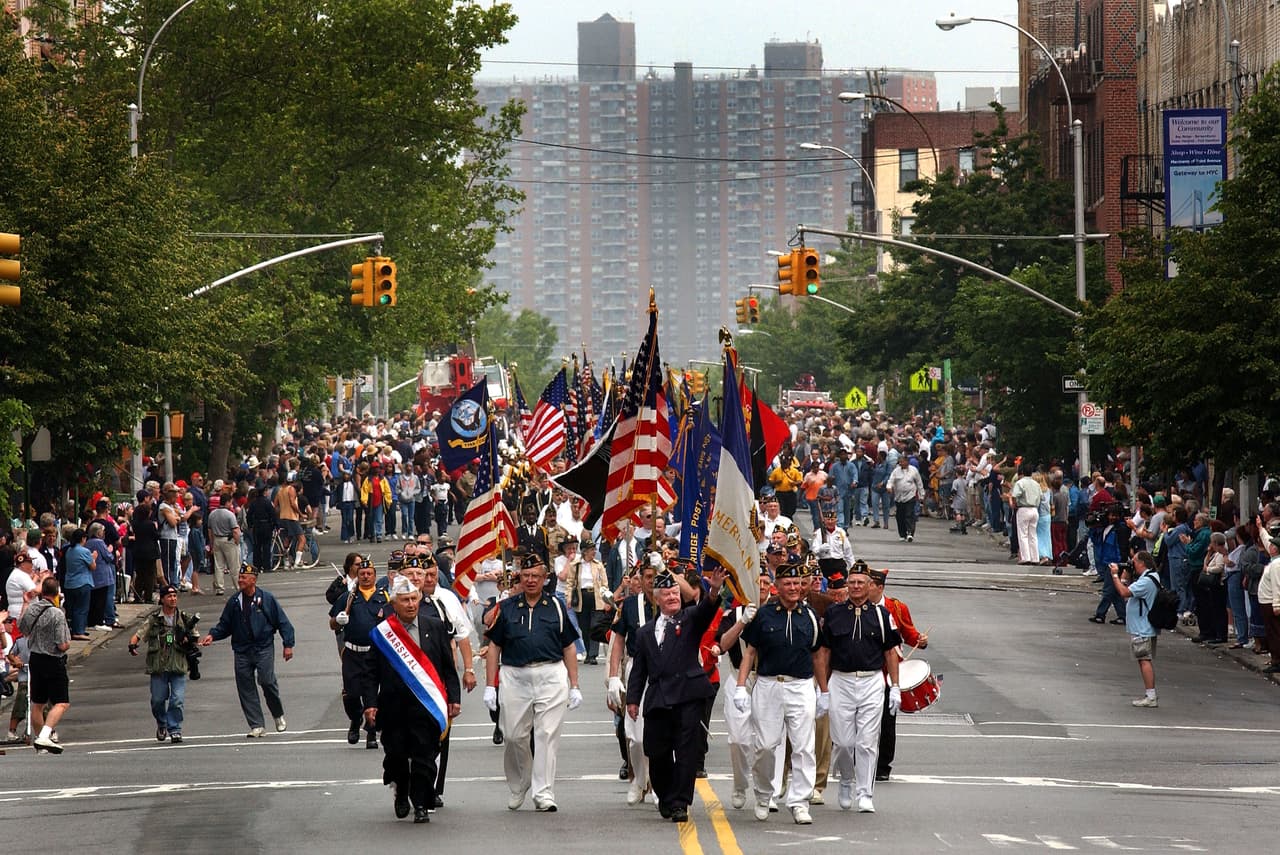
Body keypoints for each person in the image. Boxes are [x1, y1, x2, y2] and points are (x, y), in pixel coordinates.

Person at [627, 564, 728, 824]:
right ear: (656, 598)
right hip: (659, 698)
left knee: (687, 751)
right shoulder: (645, 632)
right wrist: (633, 700)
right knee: (657, 752)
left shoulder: (690, 618)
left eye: (675, 594)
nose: (672, 598)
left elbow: (707, 609)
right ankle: (666, 795)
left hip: (688, 694)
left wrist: (714, 589)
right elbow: (639, 669)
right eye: (667, 594)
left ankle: (681, 803)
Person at [483, 552, 582, 812]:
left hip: (550, 674)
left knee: (546, 735)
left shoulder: (557, 606)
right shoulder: (506, 608)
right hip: (515, 676)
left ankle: (544, 792)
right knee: (514, 735)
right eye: (525, 575)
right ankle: (520, 783)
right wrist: (490, 685)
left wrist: (575, 685)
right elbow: (494, 646)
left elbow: (569, 647)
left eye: (535, 576)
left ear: (545, 578)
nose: (530, 580)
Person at [362, 575, 461, 824]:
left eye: (414, 599)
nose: (410, 605)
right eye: (404, 600)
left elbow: (448, 667)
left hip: (425, 708)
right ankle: (401, 791)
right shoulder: (383, 634)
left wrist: (454, 698)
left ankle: (420, 803)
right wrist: (371, 703)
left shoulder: (434, 626)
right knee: (396, 756)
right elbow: (371, 673)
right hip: (393, 707)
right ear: (394, 604)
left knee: (424, 756)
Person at [733, 562, 820, 825]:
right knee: (765, 747)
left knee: (804, 747)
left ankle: (799, 801)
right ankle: (763, 794)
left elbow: (818, 654)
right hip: (769, 684)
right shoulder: (764, 614)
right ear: (777, 587)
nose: (794, 588)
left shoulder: (810, 616)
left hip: (801, 685)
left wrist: (823, 690)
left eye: (797, 583)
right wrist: (740, 687)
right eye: (788, 584)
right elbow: (750, 652)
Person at [814, 562, 901, 813]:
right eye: (852, 582)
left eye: (860, 582)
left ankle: (865, 793)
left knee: (866, 742)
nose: (855, 586)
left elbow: (890, 652)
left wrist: (895, 686)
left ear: (870, 586)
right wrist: (823, 689)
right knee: (842, 742)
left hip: (871, 681)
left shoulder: (882, 616)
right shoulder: (834, 613)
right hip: (841, 680)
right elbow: (824, 653)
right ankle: (845, 780)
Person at [199, 563, 296, 738]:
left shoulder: (266, 599)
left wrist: (288, 644)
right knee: (245, 687)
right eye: (240, 577)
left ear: (253, 580)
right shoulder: (235, 601)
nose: (240, 580)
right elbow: (225, 624)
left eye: (244, 577)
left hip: (263, 647)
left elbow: (283, 622)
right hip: (242, 650)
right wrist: (212, 635)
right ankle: (256, 725)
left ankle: (277, 713)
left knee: (267, 681)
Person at [607, 557, 660, 803]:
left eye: (655, 576)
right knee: (637, 736)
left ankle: (659, 784)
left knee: (662, 731)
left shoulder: (671, 601)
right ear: (640, 579)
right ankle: (639, 779)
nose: (652, 582)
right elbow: (618, 641)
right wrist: (613, 677)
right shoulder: (629, 605)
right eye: (647, 577)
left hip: (664, 672)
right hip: (637, 670)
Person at [867, 567, 927, 781]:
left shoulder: (897, 607)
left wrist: (920, 640)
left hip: (889, 673)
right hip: (865, 671)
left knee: (886, 722)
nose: (865, 588)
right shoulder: (857, 606)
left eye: (870, 585)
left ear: (880, 587)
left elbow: (909, 632)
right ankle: (861, 764)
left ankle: (883, 767)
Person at [330, 556, 391, 749]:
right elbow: (332, 623)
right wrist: (338, 621)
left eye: (369, 574)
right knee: (351, 694)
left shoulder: (384, 597)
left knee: (371, 693)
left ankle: (371, 733)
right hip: (352, 653)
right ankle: (355, 719)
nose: (365, 577)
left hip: (375, 653)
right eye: (362, 573)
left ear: (374, 576)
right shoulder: (348, 597)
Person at [128, 584, 199, 743]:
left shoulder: (184, 618)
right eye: (169, 596)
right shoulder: (154, 620)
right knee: (158, 700)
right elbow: (140, 633)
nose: (173, 599)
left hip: (178, 664)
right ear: (162, 599)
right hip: (159, 666)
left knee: (177, 699)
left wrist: (188, 639)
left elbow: (195, 636)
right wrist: (133, 644)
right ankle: (162, 723)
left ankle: (175, 729)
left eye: (175, 596)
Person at [18, 577, 71, 753]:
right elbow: (62, 644)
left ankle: (41, 745)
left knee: (38, 703)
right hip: (53, 659)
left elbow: (23, 628)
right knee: (61, 702)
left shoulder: (32, 609)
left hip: (35, 659)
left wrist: (25, 604)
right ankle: (44, 735)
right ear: (56, 593)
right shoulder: (57, 613)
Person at [1110, 551, 1161, 707]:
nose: (1132, 564)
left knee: (1144, 660)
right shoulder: (1152, 577)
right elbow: (1130, 589)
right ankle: (1149, 694)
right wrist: (1126, 575)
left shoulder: (1146, 581)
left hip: (1142, 627)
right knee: (1143, 660)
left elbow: (1124, 592)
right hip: (1144, 626)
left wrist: (1115, 575)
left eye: (1134, 562)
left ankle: (1151, 696)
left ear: (1142, 563)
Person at [885, 454, 925, 543]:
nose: (901, 463)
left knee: (909, 514)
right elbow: (891, 480)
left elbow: (919, 483)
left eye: (903, 461)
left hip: (910, 496)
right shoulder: (896, 471)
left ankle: (910, 533)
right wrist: (889, 487)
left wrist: (921, 495)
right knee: (900, 516)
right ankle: (902, 534)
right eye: (900, 462)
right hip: (899, 497)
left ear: (907, 462)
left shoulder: (913, 471)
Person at [206, 495, 241, 596]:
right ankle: (238, 586)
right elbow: (235, 530)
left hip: (217, 539)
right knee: (234, 565)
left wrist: (212, 543)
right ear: (228, 502)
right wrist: (237, 541)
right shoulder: (230, 515)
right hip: (228, 540)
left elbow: (210, 530)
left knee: (219, 565)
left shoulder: (212, 514)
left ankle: (219, 587)